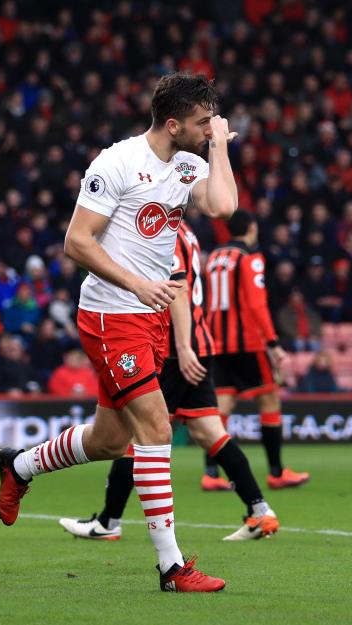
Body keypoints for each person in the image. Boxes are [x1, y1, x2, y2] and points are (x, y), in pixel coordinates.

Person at [0, 72, 236, 592]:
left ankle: (20, 465)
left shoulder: (191, 162)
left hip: (147, 318)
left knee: (109, 441)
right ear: (172, 124)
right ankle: (172, 568)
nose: (207, 128)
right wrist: (136, 283)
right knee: (156, 429)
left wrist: (219, 148)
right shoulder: (117, 162)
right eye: (200, 122)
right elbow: (76, 242)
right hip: (110, 314)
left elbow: (224, 208)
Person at [59, 221, 279, 543]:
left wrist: (182, 347)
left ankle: (109, 521)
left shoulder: (165, 230)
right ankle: (260, 512)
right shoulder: (187, 231)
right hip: (200, 344)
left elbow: (177, 288)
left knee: (137, 433)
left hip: (175, 349)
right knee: (210, 431)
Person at [203, 210, 310, 490]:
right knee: (270, 400)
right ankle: (276, 472)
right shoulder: (251, 257)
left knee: (222, 405)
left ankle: (211, 473)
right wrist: (273, 343)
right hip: (247, 342)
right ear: (251, 228)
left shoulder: (214, 257)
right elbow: (256, 303)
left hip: (218, 340)